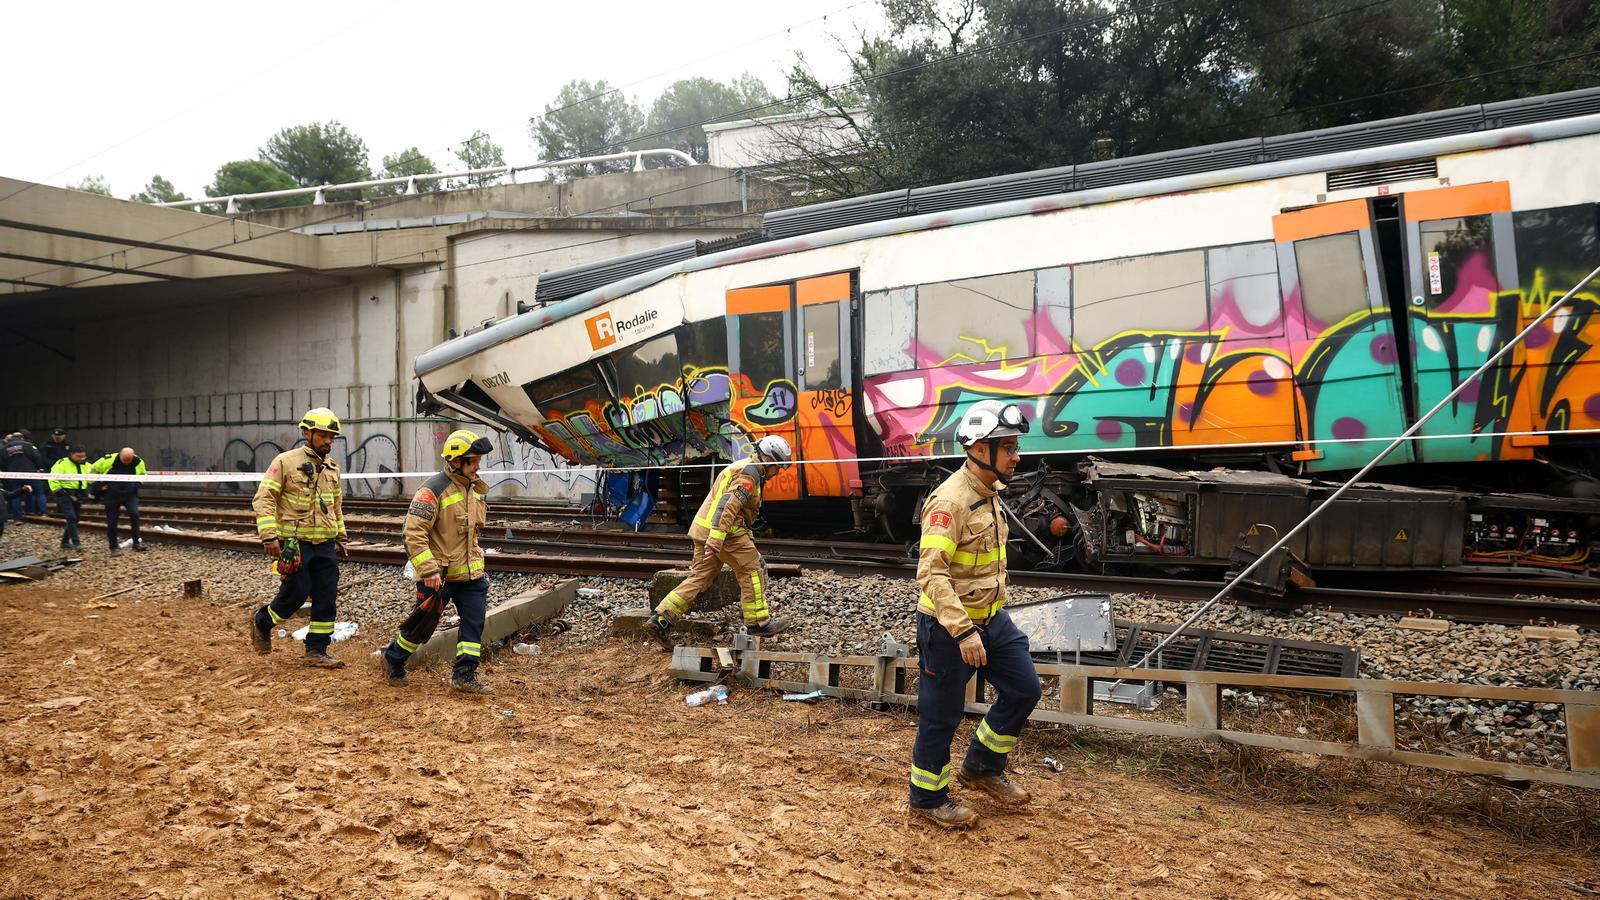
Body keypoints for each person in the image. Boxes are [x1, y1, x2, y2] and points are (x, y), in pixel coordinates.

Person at [907, 400, 1042, 829]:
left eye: (1016, 447)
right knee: (941, 716)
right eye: (1009, 448)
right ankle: (927, 798)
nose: (1017, 456)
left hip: (992, 619)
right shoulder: (951, 501)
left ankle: (982, 766)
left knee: (1024, 689)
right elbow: (931, 573)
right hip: (949, 627)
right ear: (980, 450)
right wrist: (964, 632)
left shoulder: (989, 492)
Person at [645, 435, 794, 648]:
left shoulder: (743, 467)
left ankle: (661, 620)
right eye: (778, 467)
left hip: (705, 530)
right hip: (725, 534)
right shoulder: (749, 475)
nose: (778, 472)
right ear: (769, 459)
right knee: (753, 569)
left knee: (700, 577)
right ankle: (758, 623)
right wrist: (715, 540)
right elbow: (727, 507)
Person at [381, 429, 496, 693]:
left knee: (473, 623)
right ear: (455, 461)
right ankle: (394, 658)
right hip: (438, 577)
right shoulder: (432, 490)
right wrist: (429, 570)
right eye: (473, 461)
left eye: (478, 460)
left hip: (471, 576)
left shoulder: (475, 489)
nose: (478, 466)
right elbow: (413, 533)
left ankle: (465, 675)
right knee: (422, 626)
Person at [247, 409, 349, 668]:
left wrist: (341, 536)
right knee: (296, 592)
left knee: (326, 595)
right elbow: (264, 498)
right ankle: (263, 621)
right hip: (295, 544)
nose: (328, 441)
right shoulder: (285, 462)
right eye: (323, 435)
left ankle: (316, 650)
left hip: (325, 544)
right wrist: (269, 536)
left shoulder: (332, 467)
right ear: (307, 433)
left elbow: (335, 506)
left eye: (332, 437)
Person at [91, 447, 147, 555]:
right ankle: (114, 547)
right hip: (112, 494)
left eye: (129, 460)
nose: (126, 462)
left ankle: (137, 543)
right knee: (112, 521)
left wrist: (137, 485)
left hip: (130, 494)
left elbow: (143, 475)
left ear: (133, 456)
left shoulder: (139, 461)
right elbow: (92, 470)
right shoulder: (108, 460)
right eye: (124, 460)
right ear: (120, 455)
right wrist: (99, 485)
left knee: (134, 514)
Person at [47, 445, 92, 550]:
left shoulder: (87, 465)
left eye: (83, 456)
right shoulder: (62, 463)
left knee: (76, 518)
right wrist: (58, 491)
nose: (81, 458)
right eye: (78, 456)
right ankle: (77, 543)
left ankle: (64, 542)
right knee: (71, 517)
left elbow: (93, 478)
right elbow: (52, 478)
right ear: (71, 454)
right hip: (64, 493)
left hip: (78, 494)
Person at [3, 431, 44, 522]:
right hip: (30, 474)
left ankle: (17, 517)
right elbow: (36, 457)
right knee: (38, 492)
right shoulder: (28, 445)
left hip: (13, 475)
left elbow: (2, 462)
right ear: (22, 437)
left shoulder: (5, 448)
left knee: (15, 495)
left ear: (11, 438)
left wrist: (7, 472)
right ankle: (39, 512)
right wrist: (39, 468)